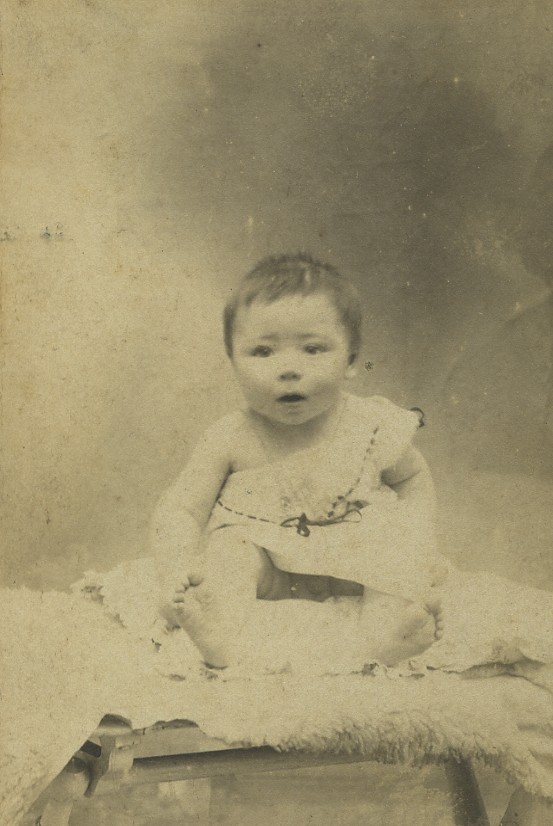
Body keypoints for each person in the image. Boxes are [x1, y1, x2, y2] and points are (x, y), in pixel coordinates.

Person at [150, 253, 447, 669]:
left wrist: (415, 539)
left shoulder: (370, 426)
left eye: (312, 349)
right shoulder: (231, 436)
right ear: (232, 361)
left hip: (357, 565)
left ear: (350, 360)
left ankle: (386, 638)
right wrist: (176, 568)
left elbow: (412, 478)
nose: (288, 369)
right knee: (230, 552)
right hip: (270, 571)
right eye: (263, 352)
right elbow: (182, 508)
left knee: (395, 560)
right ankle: (221, 637)